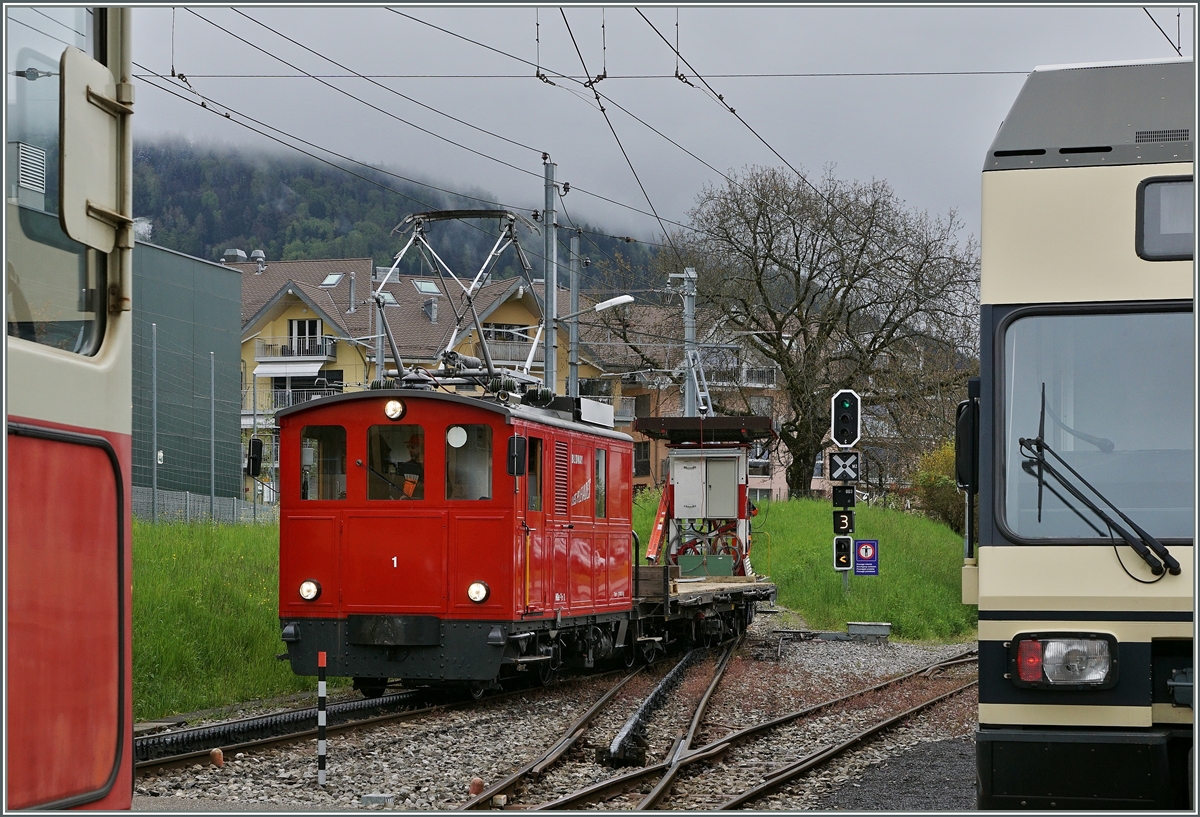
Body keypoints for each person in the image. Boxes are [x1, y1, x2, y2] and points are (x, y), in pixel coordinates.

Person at [395, 433, 424, 498]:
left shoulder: (433, 467)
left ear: (422, 448)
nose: (410, 450)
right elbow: (395, 488)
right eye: (409, 447)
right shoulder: (406, 466)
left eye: (413, 447)